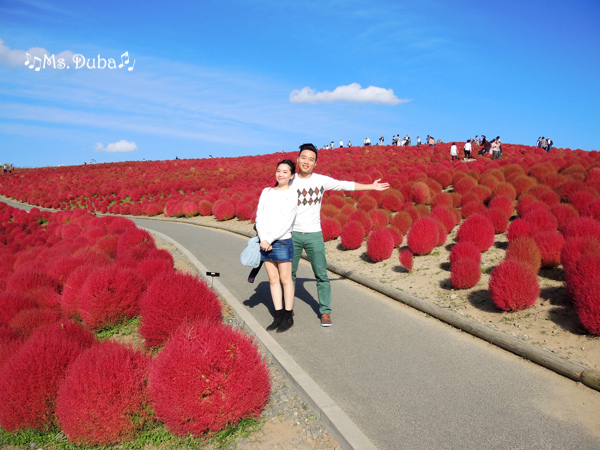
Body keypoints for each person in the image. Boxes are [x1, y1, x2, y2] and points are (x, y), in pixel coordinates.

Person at [292, 143, 390, 326]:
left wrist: (371, 186)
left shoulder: (320, 180)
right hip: (292, 235)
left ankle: (325, 311)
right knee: (289, 274)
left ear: (315, 164)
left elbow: (345, 184)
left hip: (314, 234)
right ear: (297, 159)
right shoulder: (288, 180)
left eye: (311, 159)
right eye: (303, 158)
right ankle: (288, 308)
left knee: (321, 273)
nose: (306, 162)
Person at [255, 159, 298, 333]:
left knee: (285, 280)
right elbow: (260, 216)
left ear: (291, 175)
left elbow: (287, 222)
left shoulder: (292, 194)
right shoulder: (267, 192)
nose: (281, 174)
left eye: (285, 172)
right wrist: (263, 238)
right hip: (265, 242)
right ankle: (278, 315)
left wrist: (269, 238)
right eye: (279, 170)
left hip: (281, 242)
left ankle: (288, 316)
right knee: (273, 280)